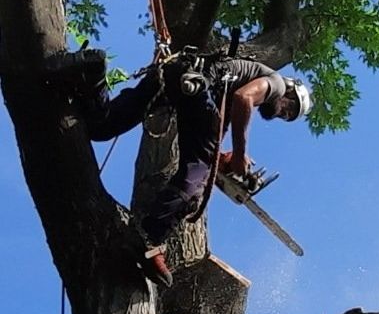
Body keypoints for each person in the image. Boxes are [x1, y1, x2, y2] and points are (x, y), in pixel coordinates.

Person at [47, 48, 312, 286]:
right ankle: (147, 239)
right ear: (290, 91)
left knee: (102, 126)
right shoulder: (275, 83)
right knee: (193, 189)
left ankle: (90, 74)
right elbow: (244, 99)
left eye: (287, 117)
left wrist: (222, 159)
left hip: (178, 74)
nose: (282, 114)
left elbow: (214, 130)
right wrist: (240, 155)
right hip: (197, 87)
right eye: (289, 110)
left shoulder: (234, 79)